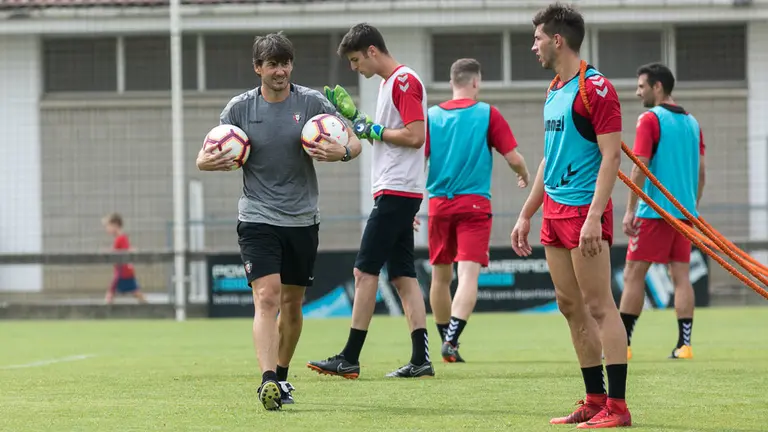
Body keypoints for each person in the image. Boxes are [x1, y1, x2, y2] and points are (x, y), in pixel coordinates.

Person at [195, 31, 363, 411]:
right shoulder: (238, 109)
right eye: (272, 64)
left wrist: (343, 153)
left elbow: (353, 141)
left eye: (285, 63)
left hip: (303, 219)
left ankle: (282, 376)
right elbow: (204, 156)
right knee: (266, 297)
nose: (280, 71)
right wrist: (207, 162)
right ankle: (268, 379)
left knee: (292, 304)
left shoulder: (312, 102)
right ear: (258, 68)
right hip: (257, 217)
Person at [510, 3, 632, 428]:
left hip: (584, 210)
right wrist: (527, 213)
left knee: (600, 306)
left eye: (538, 38)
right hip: (554, 212)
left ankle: (618, 408)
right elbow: (549, 158)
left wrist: (595, 216)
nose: (534, 46)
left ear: (557, 39)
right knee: (569, 305)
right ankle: (594, 400)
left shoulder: (595, 88)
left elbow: (612, 155)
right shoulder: (554, 89)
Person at [306, 23, 434, 379]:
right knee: (403, 276)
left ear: (372, 51)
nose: (354, 67)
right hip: (398, 191)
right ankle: (421, 359)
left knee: (364, 272)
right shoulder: (389, 85)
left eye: (355, 59)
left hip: (396, 190)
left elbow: (416, 135)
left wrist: (372, 130)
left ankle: (349, 357)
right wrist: (360, 123)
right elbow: (399, 137)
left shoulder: (404, 81)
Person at [425, 58, 530, 363]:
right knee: (468, 274)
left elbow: (417, 160)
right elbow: (512, 157)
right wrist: (523, 173)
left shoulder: (431, 116)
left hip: (438, 204)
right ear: (476, 82)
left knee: (440, 277)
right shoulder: (487, 113)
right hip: (473, 204)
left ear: (451, 82)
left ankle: (445, 339)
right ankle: (453, 340)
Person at [619, 62, 706, 361]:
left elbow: (639, 166)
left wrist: (630, 210)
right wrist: (692, 208)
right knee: (681, 276)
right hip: (683, 215)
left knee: (633, 273)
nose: (637, 92)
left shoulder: (650, 119)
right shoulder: (693, 122)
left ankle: (623, 344)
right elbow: (701, 172)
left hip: (654, 212)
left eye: (641, 86)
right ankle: (685, 345)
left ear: (658, 87)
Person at [102, 212, 147, 305]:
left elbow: (125, 251)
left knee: (111, 292)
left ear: (115, 225)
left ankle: (102, 312)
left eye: (108, 226)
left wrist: (111, 252)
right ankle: (150, 308)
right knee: (136, 293)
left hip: (122, 272)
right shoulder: (120, 238)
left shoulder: (121, 238)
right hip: (122, 271)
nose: (107, 229)